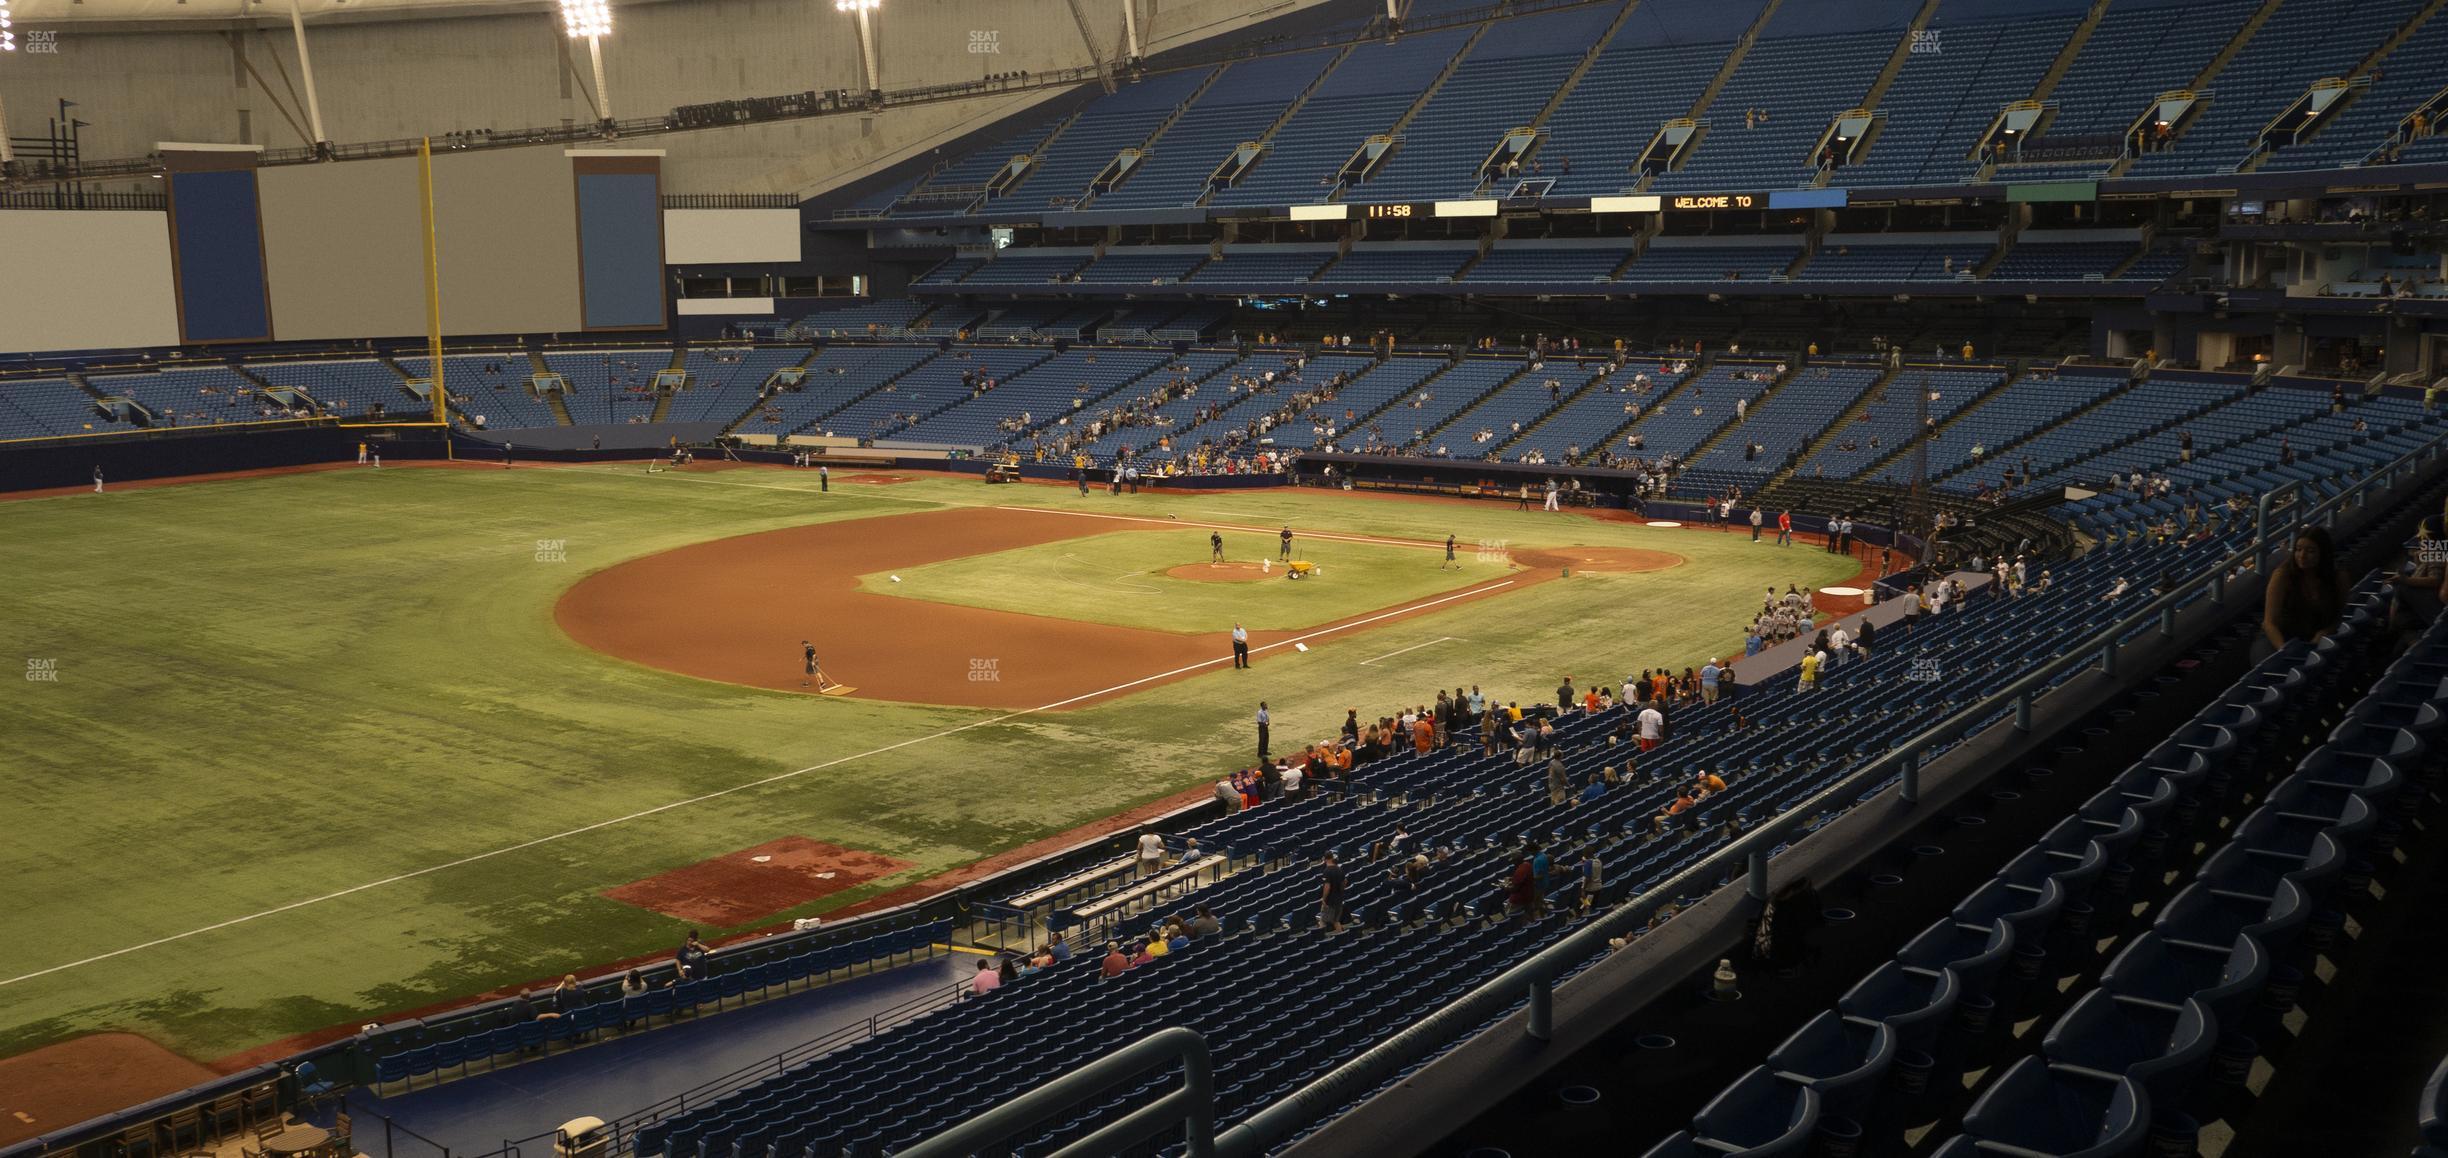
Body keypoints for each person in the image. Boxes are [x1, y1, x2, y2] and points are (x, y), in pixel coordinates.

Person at [2261, 526, 2347, 658]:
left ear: (2323, 553)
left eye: (2310, 551)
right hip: (2277, 640)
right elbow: (2269, 623)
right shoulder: (2282, 575)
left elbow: (2338, 616)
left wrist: (2325, 632)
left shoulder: (2338, 577)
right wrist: (2283, 650)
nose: (2302, 556)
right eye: (2298, 549)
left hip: (2314, 640)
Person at [1318, 852, 1348, 932]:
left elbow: (1327, 887)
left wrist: (1324, 899)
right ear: (1332, 858)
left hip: (1330, 901)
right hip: (1339, 899)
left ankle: (1320, 939)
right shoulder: (1339, 869)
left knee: (1323, 920)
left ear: (1324, 859)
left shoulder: (1327, 871)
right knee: (1335, 921)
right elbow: (1345, 881)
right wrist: (1340, 890)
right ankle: (1342, 936)